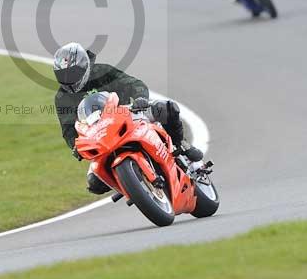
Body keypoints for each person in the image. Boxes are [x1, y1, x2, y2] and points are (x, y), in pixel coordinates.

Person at [52, 42, 204, 195]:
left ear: (84, 66)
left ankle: (180, 144)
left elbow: (133, 83)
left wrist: (140, 98)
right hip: (100, 136)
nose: (68, 79)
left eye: (72, 74)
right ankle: (128, 181)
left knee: (166, 108)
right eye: (63, 75)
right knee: (94, 183)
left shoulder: (103, 72)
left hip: (129, 115)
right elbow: (68, 128)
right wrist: (75, 147)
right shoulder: (61, 98)